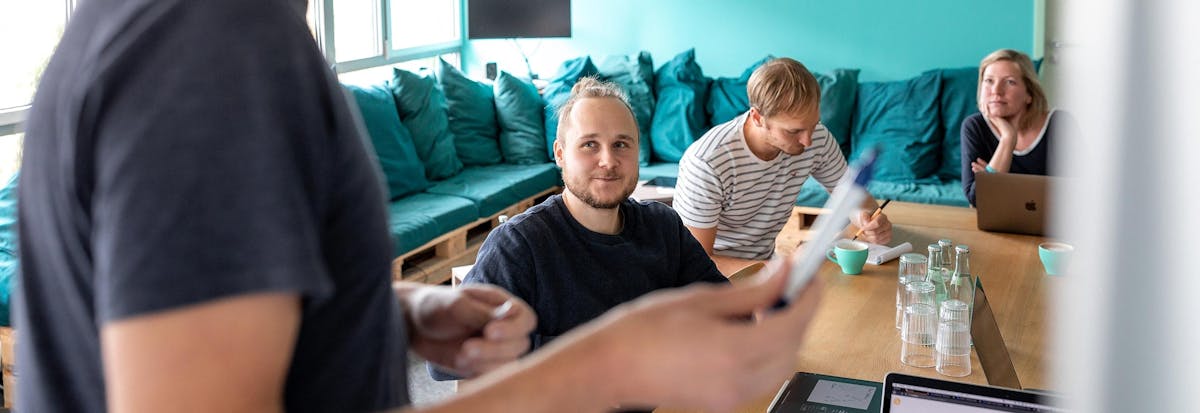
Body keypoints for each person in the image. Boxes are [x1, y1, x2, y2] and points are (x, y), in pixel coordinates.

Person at [15, 1, 824, 412]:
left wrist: (385, 310)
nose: (608, 162)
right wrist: (606, 363)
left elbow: (174, 306)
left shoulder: (170, 29)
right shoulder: (210, 45)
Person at [460, 77, 728, 356]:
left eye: (622, 144)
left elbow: (725, 308)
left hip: (668, 396)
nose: (609, 161)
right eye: (589, 145)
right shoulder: (518, 245)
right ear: (560, 154)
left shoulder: (663, 226)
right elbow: (460, 352)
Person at [673, 58, 892, 275]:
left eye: (813, 125)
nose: (807, 141)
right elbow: (694, 264)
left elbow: (858, 201)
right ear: (758, 117)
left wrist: (867, 219)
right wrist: (783, 268)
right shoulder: (707, 162)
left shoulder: (817, 138)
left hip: (766, 270)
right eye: (793, 131)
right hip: (711, 283)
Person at [960, 49, 1062, 206]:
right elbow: (978, 199)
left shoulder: (1059, 124)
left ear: (1029, 94)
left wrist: (993, 178)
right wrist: (1008, 138)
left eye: (1009, 82)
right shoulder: (974, 127)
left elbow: (1077, 193)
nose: (996, 91)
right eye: (989, 81)